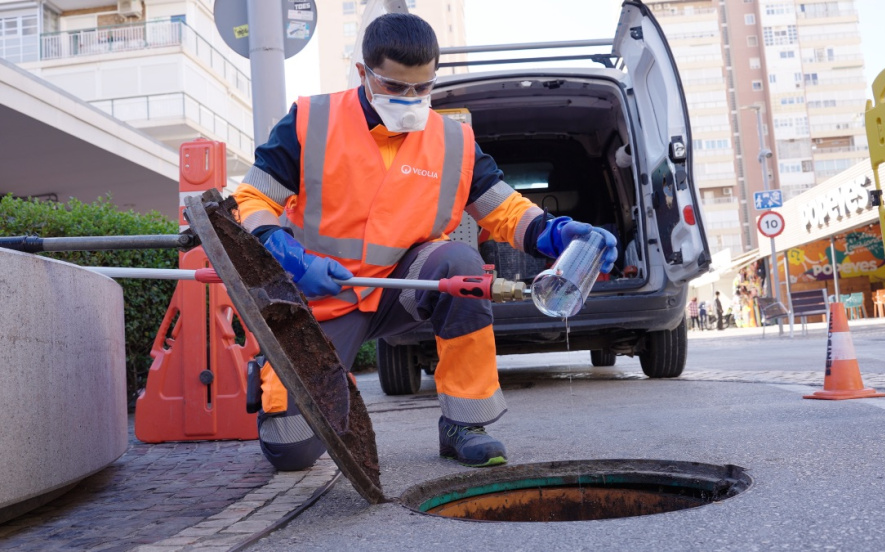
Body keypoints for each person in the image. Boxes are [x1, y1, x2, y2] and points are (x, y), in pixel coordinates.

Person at [232, 13, 617, 471]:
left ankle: (464, 424)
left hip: (403, 287)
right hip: (320, 295)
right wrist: (290, 259)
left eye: (422, 88)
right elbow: (252, 197)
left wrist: (555, 233)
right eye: (396, 87)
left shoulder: (452, 140)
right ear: (364, 74)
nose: (411, 100)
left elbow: (503, 208)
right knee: (291, 452)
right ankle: (277, 375)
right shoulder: (312, 121)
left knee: (461, 264)